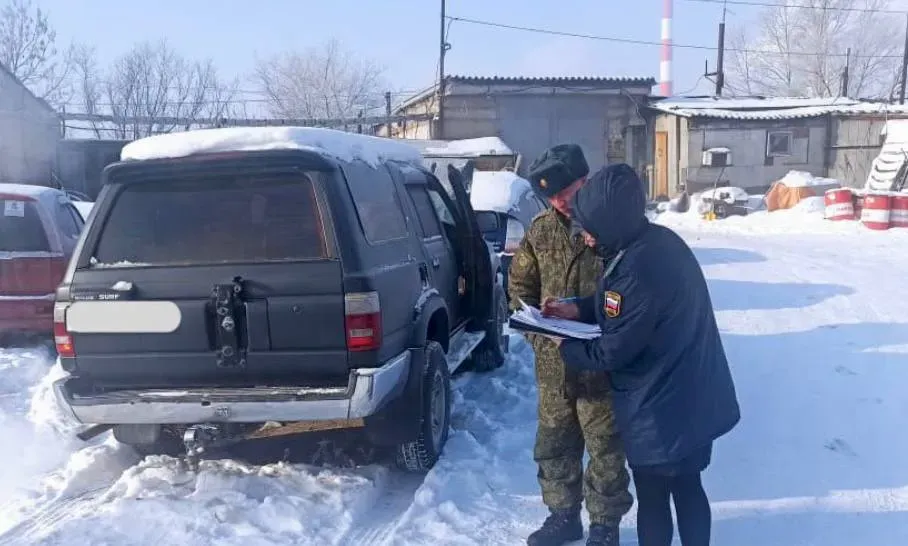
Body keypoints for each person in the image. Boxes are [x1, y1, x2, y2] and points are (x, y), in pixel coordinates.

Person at [544, 163, 741, 546]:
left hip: (659, 406)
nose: (584, 238)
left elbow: (612, 350)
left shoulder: (636, 268)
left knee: (654, 497)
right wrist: (579, 309)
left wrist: (564, 344)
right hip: (691, 394)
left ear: (610, 222)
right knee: (688, 486)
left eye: (589, 229)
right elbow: (628, 308)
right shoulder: (655, 242)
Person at [508, 144, 633, 546]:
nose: (561, 201)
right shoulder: (541, 229)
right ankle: (563, 517)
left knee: (605, 450)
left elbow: (633, 287)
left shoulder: (612, 226)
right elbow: (519, 286)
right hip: (555, 364)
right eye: (552, 195)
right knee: (554, 445)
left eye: (568, 191)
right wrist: (535, 329)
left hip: (602, 362)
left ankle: (604, 526)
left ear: (587, 180)